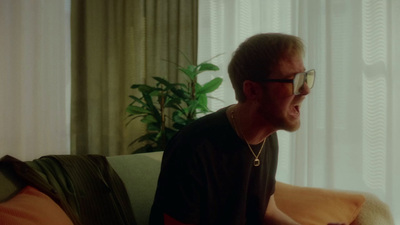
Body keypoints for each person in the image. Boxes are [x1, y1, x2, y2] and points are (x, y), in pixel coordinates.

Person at [149, 33, 316, 225]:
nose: (306, 90)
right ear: (253, 90)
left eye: (305, 77)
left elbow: (267, 211)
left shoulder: (267, 137)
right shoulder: (192, 148)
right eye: (294, 80)